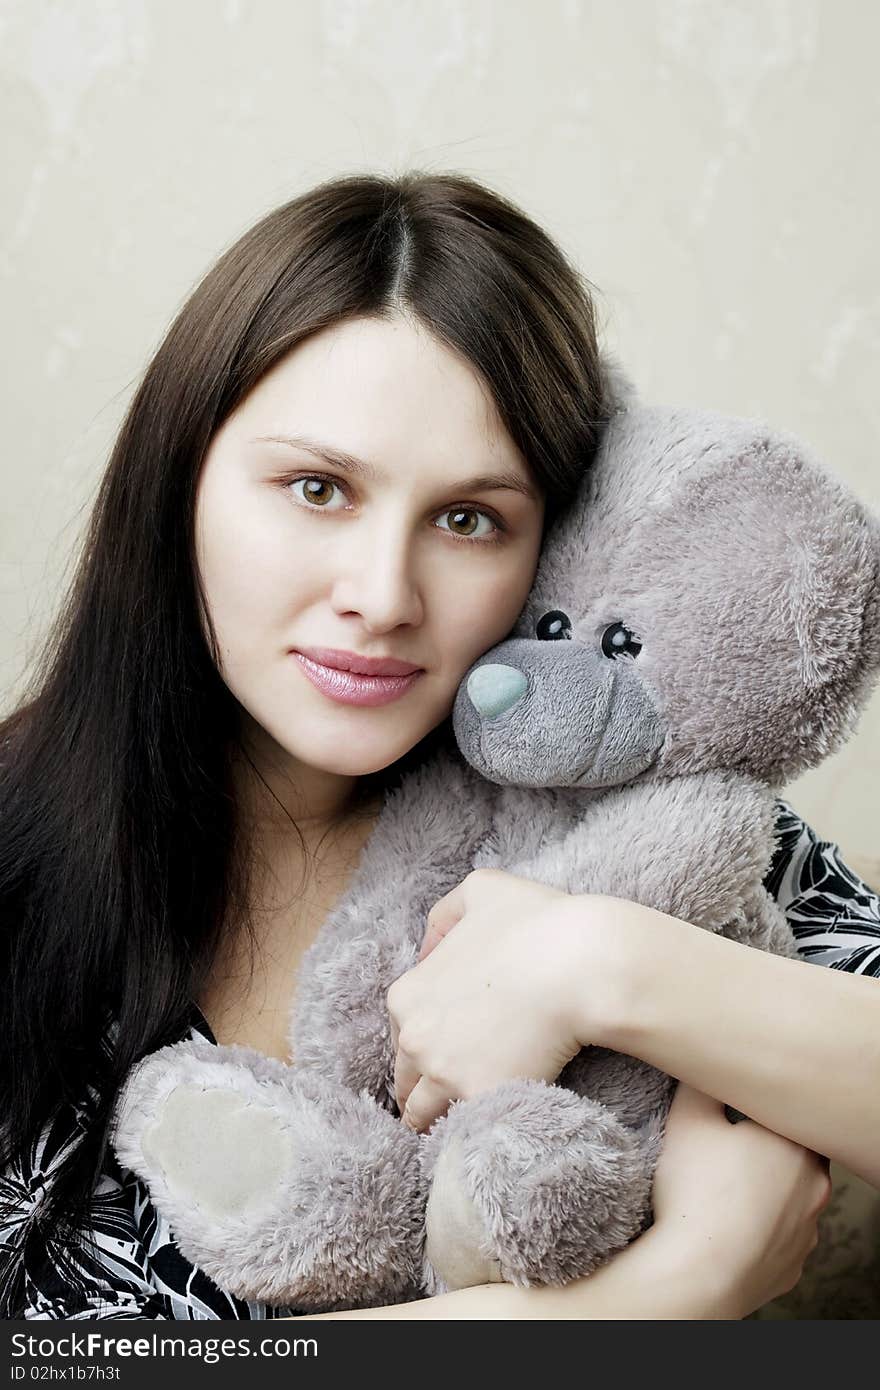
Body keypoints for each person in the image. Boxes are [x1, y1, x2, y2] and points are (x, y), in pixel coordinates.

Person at [0, 172, 875, 1322]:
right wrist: (654, 1300)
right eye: (317, 488)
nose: (381, 594)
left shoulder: (619, 819)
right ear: (181, 484)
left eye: (469, 519)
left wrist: (600, 963)